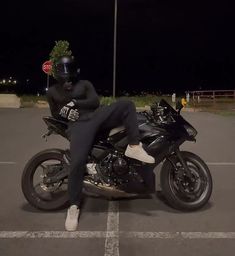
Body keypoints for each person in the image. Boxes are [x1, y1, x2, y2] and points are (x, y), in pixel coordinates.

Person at [47, 56, 155, 231]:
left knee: (127, 104)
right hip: (78, 126)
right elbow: (55, 114)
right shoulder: (52, 91)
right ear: (57, 72)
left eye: (69, 71)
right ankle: (73, 206)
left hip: (97, 116)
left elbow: (94, 101)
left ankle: (135, 147)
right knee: (77, 163)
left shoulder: (85, 84)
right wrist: (64, 113)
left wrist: (74, 103)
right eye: (63, 71)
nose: (66, 76)